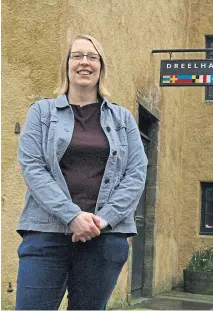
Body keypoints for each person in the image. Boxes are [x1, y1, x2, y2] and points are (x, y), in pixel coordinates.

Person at [15, 34, 148, 310]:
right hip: (45, 234)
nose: (84, 62)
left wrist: (103, 220)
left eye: (92, 56)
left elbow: (136, 173)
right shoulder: (41, 113)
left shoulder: (122, 119)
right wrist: (72, 215)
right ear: (67, 65)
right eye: (77, 56)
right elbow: (33, 168)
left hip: (104, 239)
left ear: (102, 67)